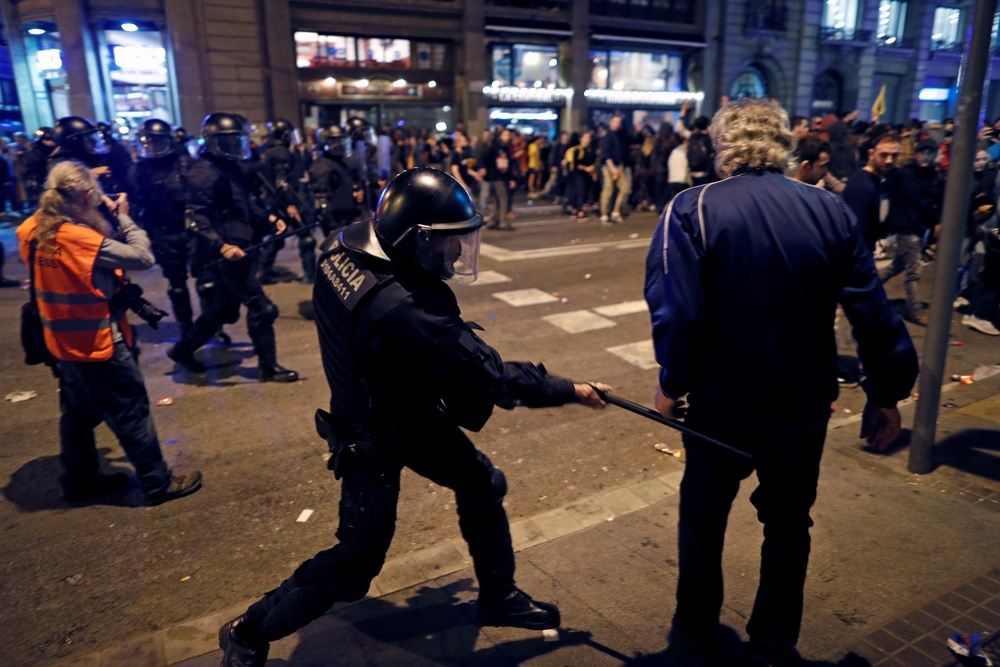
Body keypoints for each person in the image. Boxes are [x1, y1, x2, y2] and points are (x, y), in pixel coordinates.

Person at [218, 168, 611, 666]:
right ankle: (247, 631)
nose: (452, 255)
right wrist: (569, 390)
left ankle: (498, 595)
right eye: (444, 244)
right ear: (412, 239)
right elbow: (488, 375)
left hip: (400, 406)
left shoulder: (344, 249)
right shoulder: (406, 306)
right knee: (358, 562)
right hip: (373, 433)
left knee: (480, 482)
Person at [645, 99, 918, 667]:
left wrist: (673, 384)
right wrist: (886, 394)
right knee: (789, 525)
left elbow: (680, 313)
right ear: (784, 147)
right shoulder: (830, 210)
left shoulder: (692, 208)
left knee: (703, 517)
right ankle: (773, 644)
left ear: (723, 147)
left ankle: (694, 633)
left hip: (722, 405)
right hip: (801, 404)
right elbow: (872, 312)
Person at [15, 161, 202, 505]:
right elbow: (142, 257)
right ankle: (157, 482)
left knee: (78, 415)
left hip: (61, 341)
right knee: (131, 410)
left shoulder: (31, 228)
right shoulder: (78, 238)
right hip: (97, 342)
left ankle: (80, 479)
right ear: (87, 196)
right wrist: (125, 216)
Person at [167, 113, 298, 382]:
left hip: (239, 246)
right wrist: (222, 245)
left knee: (223, 309)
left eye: (239, 139)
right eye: (231, 141)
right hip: (225, 253)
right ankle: (268, 367)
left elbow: (244, 204)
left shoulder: (230, 166)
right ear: (215, 142)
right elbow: (195, 217)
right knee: (262, 307)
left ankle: (183, 349)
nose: (238, 145)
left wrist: (269, 217)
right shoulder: (204, 171)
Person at [127, 118, 198, 335]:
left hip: (190, 231)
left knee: (207, 283)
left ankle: (211, 326)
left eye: (157, 142)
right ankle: (187, 330)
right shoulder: (138, 170)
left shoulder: (184, 164)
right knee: (177, 287)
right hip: (162, 233)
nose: (153, 147)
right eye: (149, 142)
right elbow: (135, 203)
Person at [879, 138, 944, 325]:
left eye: (929, 153)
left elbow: (939, 202)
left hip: (920, 227)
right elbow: (882, 189)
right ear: (915, 154)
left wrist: (937, 223)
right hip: (905, 227)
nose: (924, 156)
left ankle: (866, 285)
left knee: (896, 266)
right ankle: (915, 311)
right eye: (921, 152)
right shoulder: (903, 174)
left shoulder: (936, 177)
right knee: (913, 272)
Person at [841, 133, 900, 252]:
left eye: (894, 155)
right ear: (871, 154)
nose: (889, 160)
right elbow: (855, 233)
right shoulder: (863, 186)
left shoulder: (872, 180)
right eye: (883, 155)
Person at [309, 123, 364, 239]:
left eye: (340, 140)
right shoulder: (321, 165)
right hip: (337, 221)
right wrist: (333, 226)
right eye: (334, 141)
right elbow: (321, 201)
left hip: (349, 218)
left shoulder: (342, 162)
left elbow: (344, 185)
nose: (339, 144)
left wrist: (355, 192)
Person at [599, 114, 630, 224]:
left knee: (624, 188)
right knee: (608, 189)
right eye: (615, 121)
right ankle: (604, 214)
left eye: (619, 122)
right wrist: (612, 168)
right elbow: (605, 153)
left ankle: (615, 211)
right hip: (609, 167)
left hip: (617, 166)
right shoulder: (608, 135)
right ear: (611, 122)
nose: (618, 124)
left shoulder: (617, 135)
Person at [482, 129, 516, 231]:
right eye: (505, 134)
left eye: (508, 135)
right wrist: (484, 170)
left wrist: (511, 179)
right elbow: (485, 159)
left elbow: (509, 164)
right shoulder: (494, 147)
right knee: (503, 198)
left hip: (503, 176)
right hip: (496, 176)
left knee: (497, 200)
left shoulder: (507, 148)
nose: (507, 137)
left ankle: (492, 220)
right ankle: (503, 221)